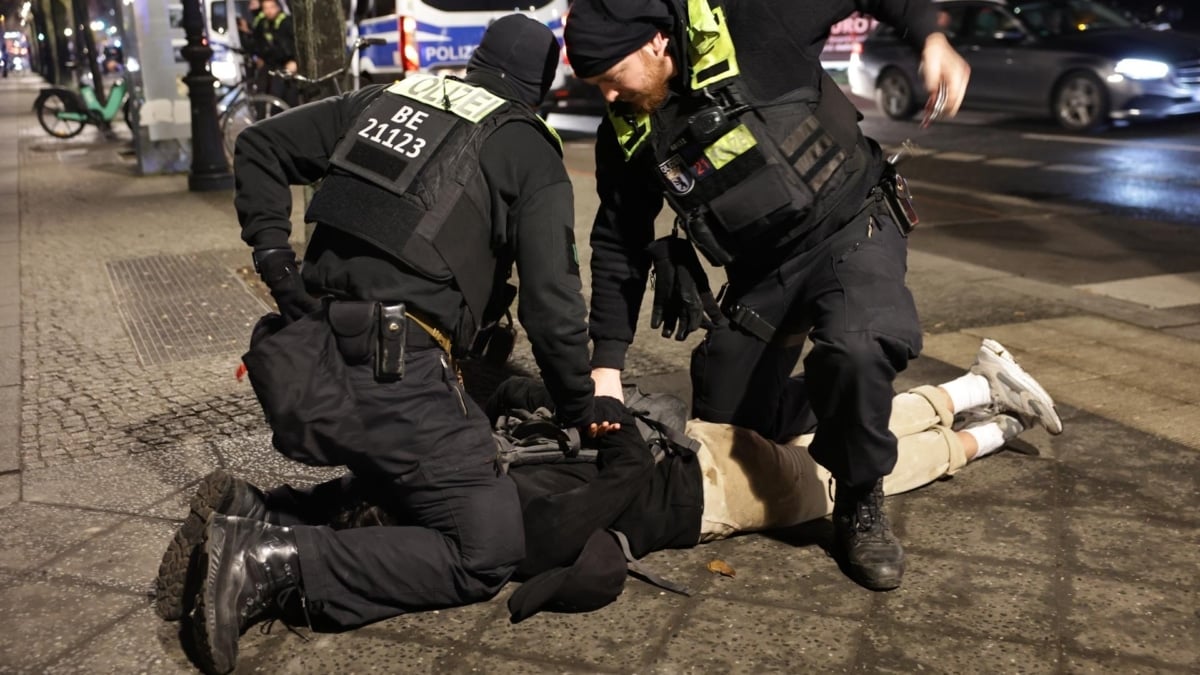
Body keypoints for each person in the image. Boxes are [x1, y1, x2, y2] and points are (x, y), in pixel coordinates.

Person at [152, 15, 621, 675]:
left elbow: (258, 145)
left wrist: (277, 263)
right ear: (539, 89)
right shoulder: (527, 146)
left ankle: (258, 510)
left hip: (312, 361)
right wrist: (580, 404)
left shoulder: (389, 99)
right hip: (396, 372)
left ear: (476, 63)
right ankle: (271, 559)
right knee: (485, 545)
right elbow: (552, 306)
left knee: (407, 491)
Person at [157, 336, 1063, 632]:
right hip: (698, 452)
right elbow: (519, 389)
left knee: (873, 469)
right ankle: (985, 394)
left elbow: (593, 530)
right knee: (857, 449)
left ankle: (985, 407)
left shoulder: (501, 522)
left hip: (710, 485)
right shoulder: (470, 471)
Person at [560, 0, 977, 592]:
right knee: (730, 435)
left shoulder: (755, 22)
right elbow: (618, 245)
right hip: (765, 272)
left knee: (857, 348)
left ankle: (860, 495)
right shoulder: (631, 129)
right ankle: (842, 400)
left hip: (850, 224)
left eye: (610, 76)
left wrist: (931, 38)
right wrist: (605, 367)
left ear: (657, 42)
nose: (606, 96)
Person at [242, 0, 298, 106]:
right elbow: (258, 44)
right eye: (265, 8)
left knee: (288, 99)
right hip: (272, 66)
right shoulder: (264, 24)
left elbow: (294, 44)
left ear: (278, 7)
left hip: (287, 66)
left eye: (271, 7)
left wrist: (294, 61)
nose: (269, 11)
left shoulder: (286, 22)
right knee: (270, 99)